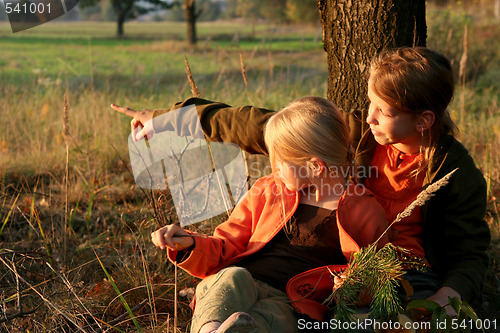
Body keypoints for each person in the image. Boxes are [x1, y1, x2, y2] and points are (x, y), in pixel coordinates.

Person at [113, 47, 491, 317]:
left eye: (385, 111)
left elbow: (468, 251)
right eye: (370, 102)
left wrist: (448, 294)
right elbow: (252, 125)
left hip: (405, 274)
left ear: (424, 120)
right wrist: (166, 118)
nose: (370, 116)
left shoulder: (455, 173)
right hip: (323, 269)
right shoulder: (355, 132)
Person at [149, 97, 389, 333]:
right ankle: (210, 330)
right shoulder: (268, 190)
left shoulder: (362, 210)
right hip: (243, 283)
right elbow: (227, 244)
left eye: (281, 162)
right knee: (231, 278)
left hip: (293, 302)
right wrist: (191, 244)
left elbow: (376, 273)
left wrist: (352, 285)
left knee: (275, 318)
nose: (275, 170)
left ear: (315, 166)